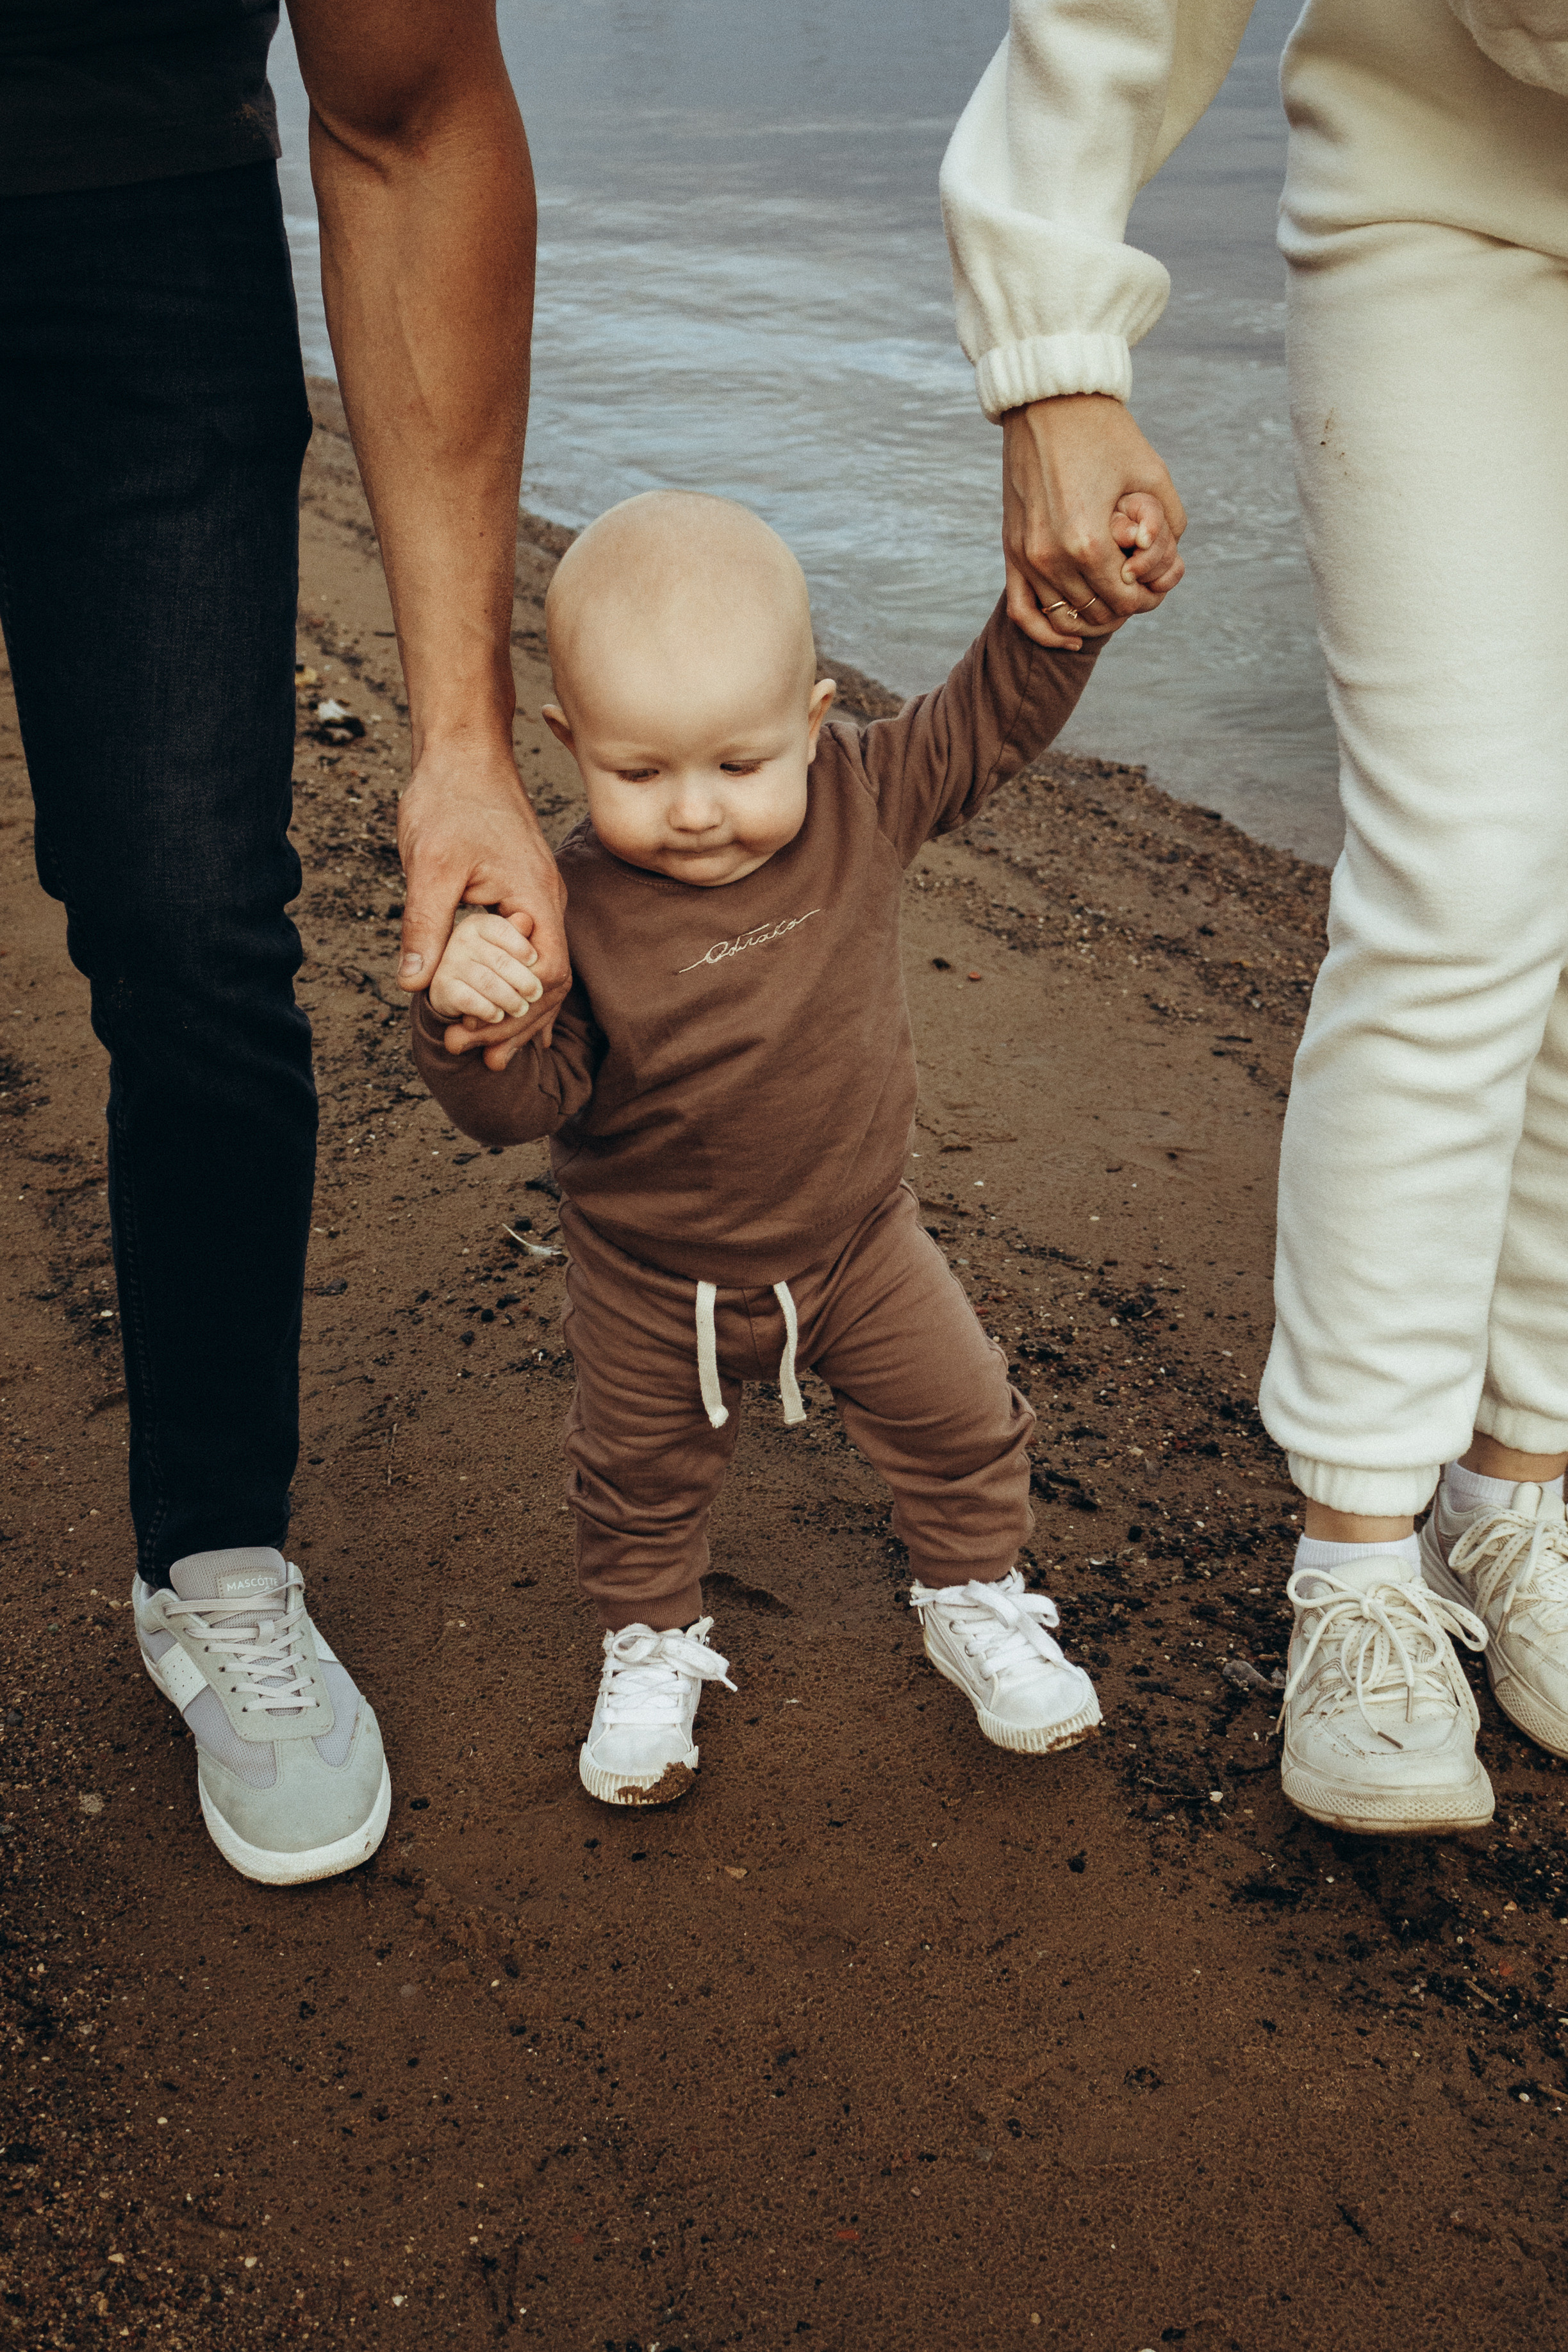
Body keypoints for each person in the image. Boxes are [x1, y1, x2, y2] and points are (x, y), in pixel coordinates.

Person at [939, 0, 1568, 1834]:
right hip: (1444, 201)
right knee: (1465, 870)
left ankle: (1522, 1486)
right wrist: (1054, 340)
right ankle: (1361, 1563)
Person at [0, 1, 567, 1885]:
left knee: (194, 933)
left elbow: (408, 118)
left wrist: (464, 745)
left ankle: (218, 1560)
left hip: (141, 225)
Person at [406, 488, 1144, 1805]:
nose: (694, 810)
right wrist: (479, 1028)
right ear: (570, 746)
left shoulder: (860, 793)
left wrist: (1060, 624)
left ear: (812, 722)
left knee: (962, 1419)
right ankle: (650, 1643)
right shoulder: (564, 902)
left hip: (858, 1239)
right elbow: (532, 1104)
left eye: (739, 766)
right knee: (636, 1480)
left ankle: (972, 1594)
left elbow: (986, 720)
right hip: (649, 1275)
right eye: (639, 773)